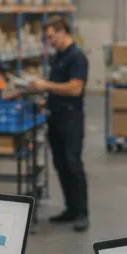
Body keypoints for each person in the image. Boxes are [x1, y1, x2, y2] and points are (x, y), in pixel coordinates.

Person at [30, 16, 90, 232]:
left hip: (71, 119)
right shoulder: (58, 58)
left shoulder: (77, 57)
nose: (49, 41)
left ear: (62, 31)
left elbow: (75, 88)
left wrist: (46, 84)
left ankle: (83, 213)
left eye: (51, 36)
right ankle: (71, 209)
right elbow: (58, 87)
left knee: (74, 164)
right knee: (61, 165)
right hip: (55, 117)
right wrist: (44, 97)